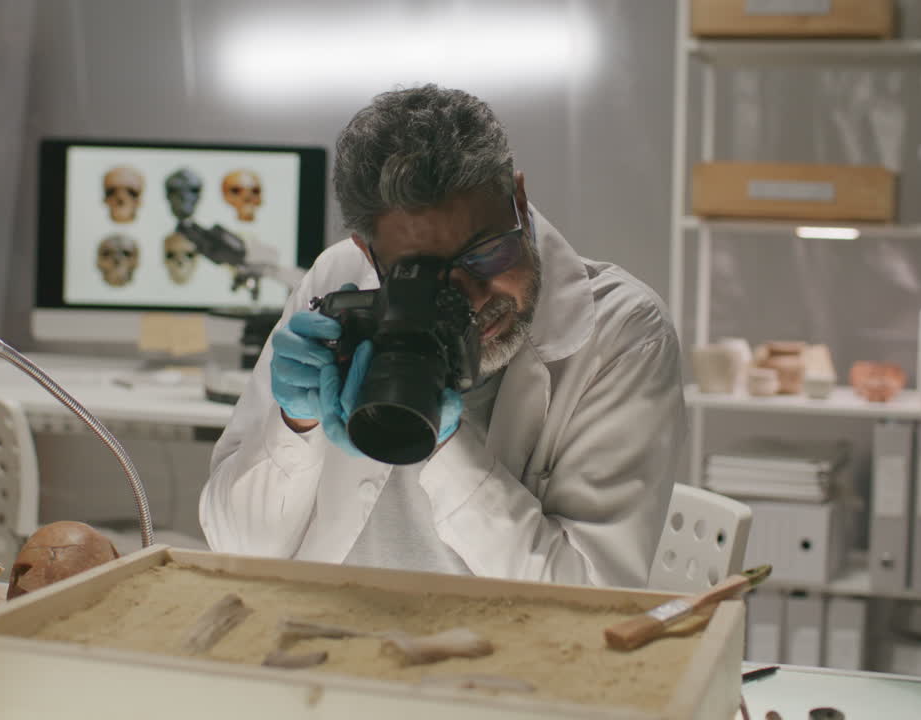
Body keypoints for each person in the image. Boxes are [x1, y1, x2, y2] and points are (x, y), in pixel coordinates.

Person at [199, 84, 686, 588]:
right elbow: (236, 546)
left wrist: (444, 440)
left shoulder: (625, 332)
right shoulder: (338, 280)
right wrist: (295, 426)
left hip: (504, 637)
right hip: (324, 622)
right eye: (427, 279)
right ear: (368, 254)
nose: (472, 301)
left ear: (519, 202)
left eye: (488, 255)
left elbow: (591, 596)